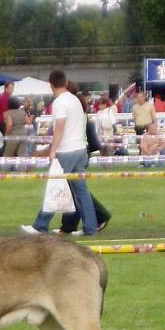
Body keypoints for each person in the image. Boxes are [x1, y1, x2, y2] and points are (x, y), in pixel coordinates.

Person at [21, 70, 98, 236]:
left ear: (51, 85)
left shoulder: (60, 103)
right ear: (65, 82)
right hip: (80, 149)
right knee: (81, 191)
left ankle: (40, 225)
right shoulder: (75, 100)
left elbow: (60, 128)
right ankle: (90, 228)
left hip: (67, 150)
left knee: (54, 187)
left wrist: (52, 150)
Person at [55, 91, 111, 234]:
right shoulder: (82, 119)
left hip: (77, 154)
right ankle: (73, 225)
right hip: (80, 153)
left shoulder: (82, 120)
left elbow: (93, 142)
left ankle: (97, 217)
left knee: (76, 191)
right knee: (77, 191)